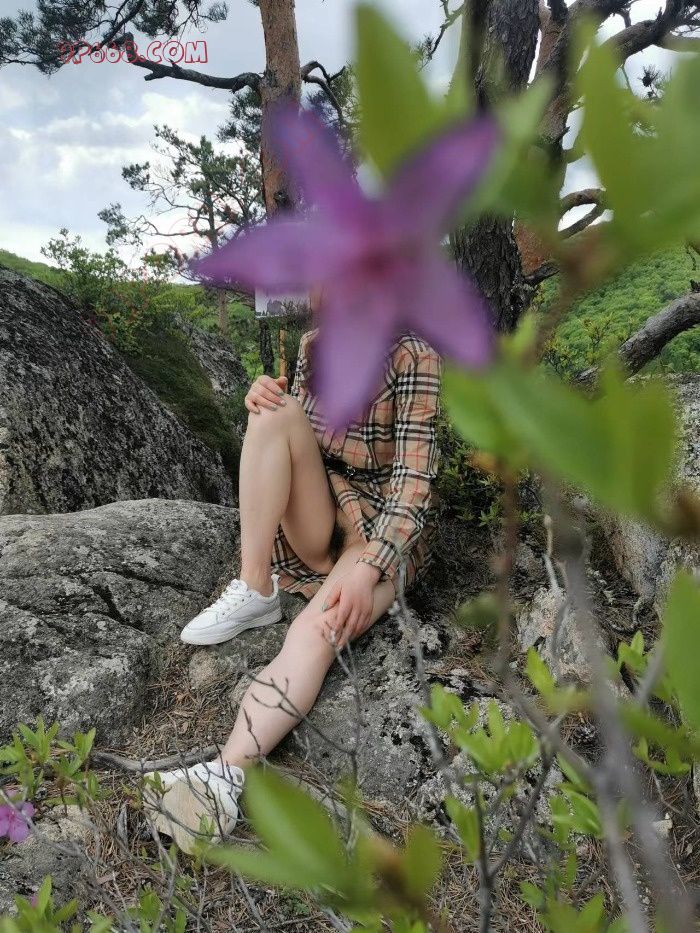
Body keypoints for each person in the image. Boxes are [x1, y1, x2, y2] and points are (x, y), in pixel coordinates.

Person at [145, 294, 442, 852]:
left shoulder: (412, 355)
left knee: (317, 629)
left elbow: (413, 484)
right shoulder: (315, 345)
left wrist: (370, 570)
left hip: (377, 529)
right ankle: (255, 585)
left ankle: (223, 778)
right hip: (326, 510)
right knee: (273, 410)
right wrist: (267, 397)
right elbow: (299, 439)